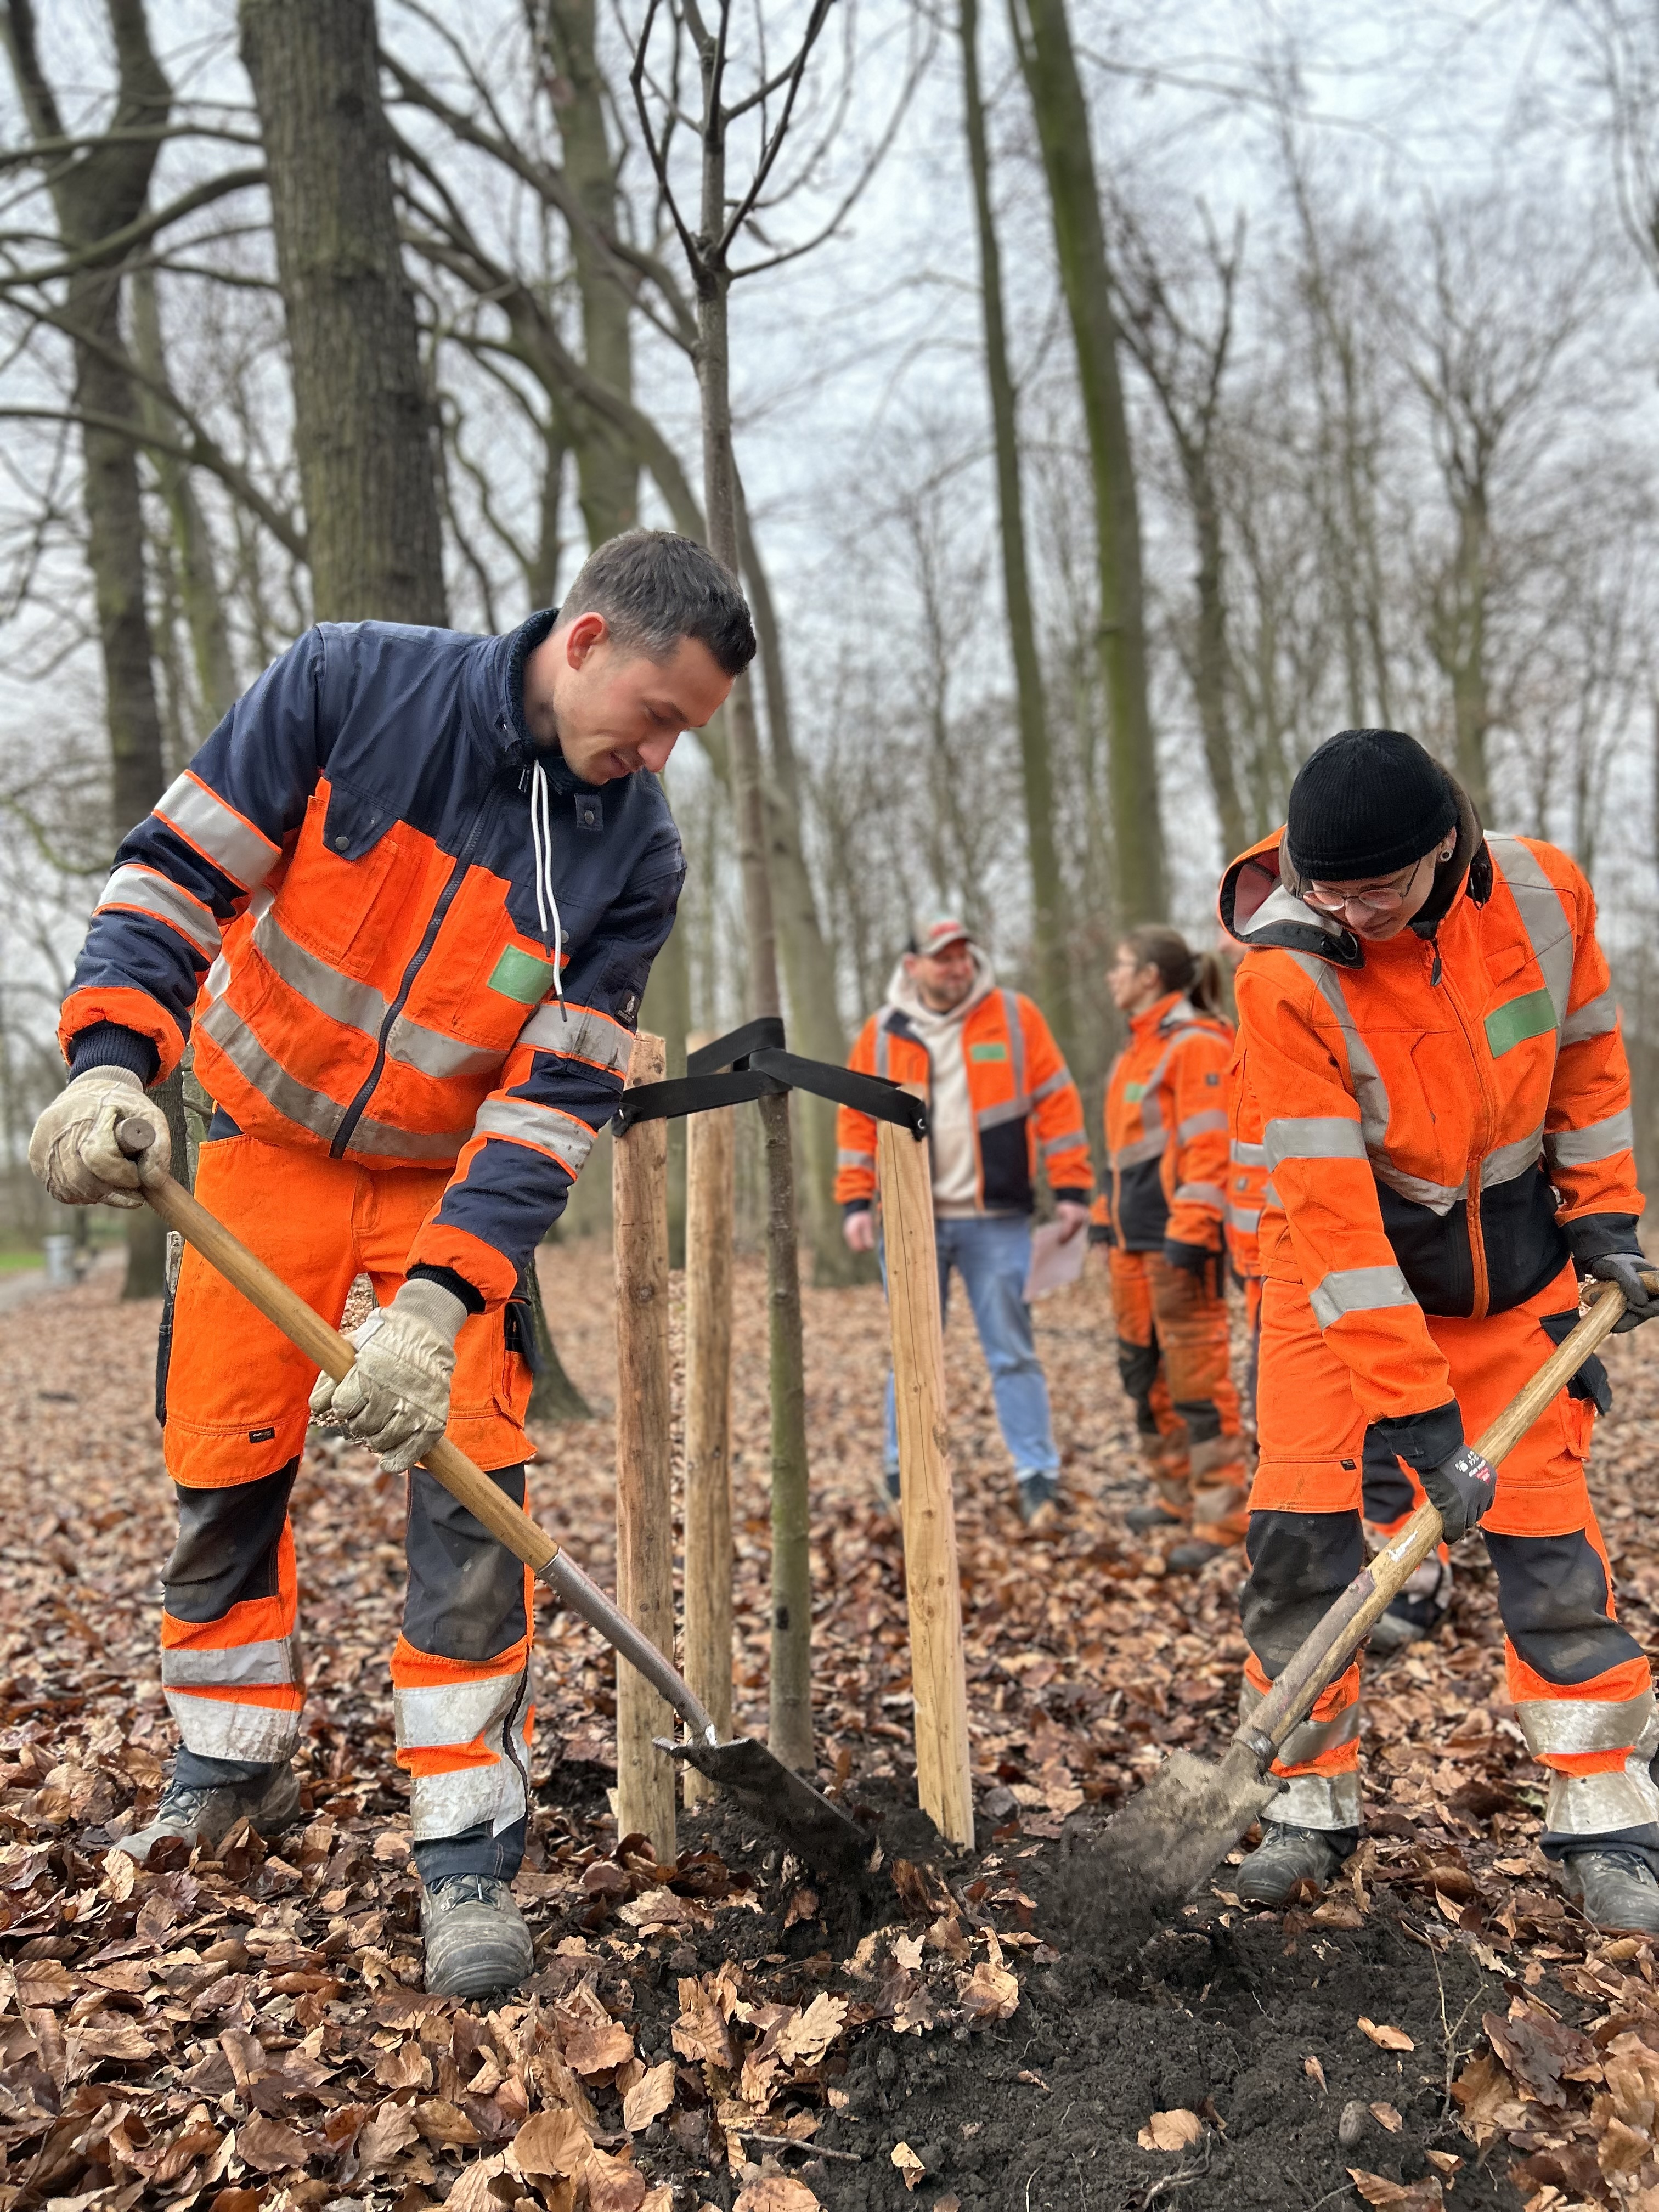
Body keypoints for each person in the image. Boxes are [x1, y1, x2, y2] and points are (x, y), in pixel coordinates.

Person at [29, 530, 753, 1997]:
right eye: (659, 714)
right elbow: (178, 877)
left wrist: (438, 1303)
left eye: (689, 733)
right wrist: (113, 1067)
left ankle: (468, 1839)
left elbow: (552, 1102)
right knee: (224, 1460)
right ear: (592, 637)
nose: (663, 752)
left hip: (444, 1186)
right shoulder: (349, 686)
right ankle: (231, 1762)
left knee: (472, 1493)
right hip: (260, 1145)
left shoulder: (635, 849)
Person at [1219, 725, 1659, 1929]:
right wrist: (1414, 1413)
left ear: (1448, 849)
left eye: (1381, 889)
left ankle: (1607, 1809)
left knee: (1549, 1539)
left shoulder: (1541, 894)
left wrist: (1606, 1221)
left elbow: (1586, 1064)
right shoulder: (1284, 975)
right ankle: (1308, 1802)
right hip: (1337, 1282)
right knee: (1304, 1541)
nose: (1353, 912)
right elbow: (1332, 1216)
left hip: (1510, 1269)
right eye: (1331, 891)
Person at [834, 916, 1092, 1525]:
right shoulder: (881, 1033)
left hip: (996, 1218)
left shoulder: (1014, 1016)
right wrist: (853, 1201)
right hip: (909, 1218)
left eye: (962, 956)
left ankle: (1038, 1478)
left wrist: (1074, 1184)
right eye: (941, 958)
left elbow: (1057, 1099)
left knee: (1013, 1351)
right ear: (914, 965)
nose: (955, 968)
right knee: (912, 1350)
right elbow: (854, 1122)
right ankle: (901, 1472)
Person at [1096, 927, 1249, 1571]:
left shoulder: (1196, 1045)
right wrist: (1107, 1218)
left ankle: (1223, 1517)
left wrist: (1193, 1228)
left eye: (1121, 964)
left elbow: (1211, 1147)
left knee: (1196, 1381)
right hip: (1132, 1246)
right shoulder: (1139, 1049)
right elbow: (1127, 1154)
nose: (1112, 975)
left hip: (1177, 1244)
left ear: (1152, 976)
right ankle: (1177, 1496)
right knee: (1143, 1373)